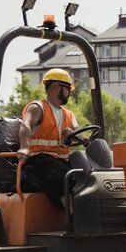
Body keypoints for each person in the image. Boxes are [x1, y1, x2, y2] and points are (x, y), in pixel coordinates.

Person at [17, 68, 79, 209]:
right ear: (57, 88)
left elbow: (79, 135)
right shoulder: (38, 108)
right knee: (64, 177)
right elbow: (25, 125)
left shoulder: (68, 114)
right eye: (68, 89)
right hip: (38, 160)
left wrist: (77, 137)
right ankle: (71, 215)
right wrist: (24, 147)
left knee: (85, 174)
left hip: (61, 160)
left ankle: (83, 210)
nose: (70, 93)